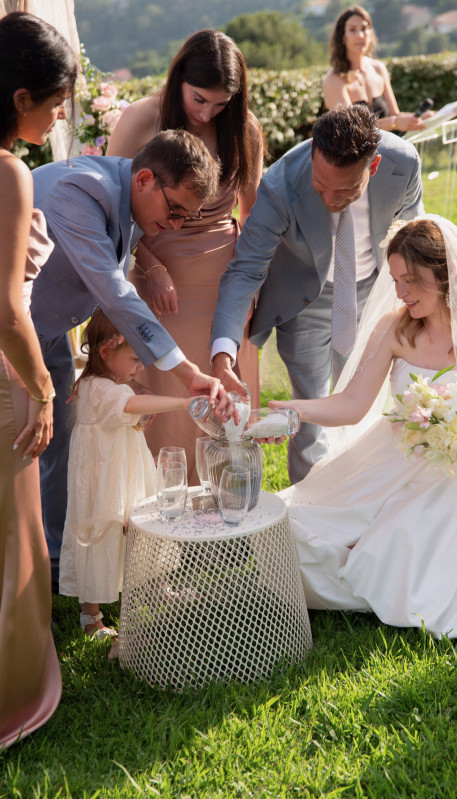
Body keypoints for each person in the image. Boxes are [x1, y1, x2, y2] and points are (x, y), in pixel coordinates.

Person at [269, 216, 457, 639]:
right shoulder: (395, 328)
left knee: (400, 538)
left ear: (444, 274)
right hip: (398, 455)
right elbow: (352, 405)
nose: (402, 292)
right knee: (299, 529)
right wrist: (294, 411)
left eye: (412, 280)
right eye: (395, 280)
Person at [30, 129, 233, 594]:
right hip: (14, 331)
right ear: (145, 179)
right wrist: (186, 372)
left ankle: (58, 566)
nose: (177, 226)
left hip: (49, 326)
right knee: (23, 446)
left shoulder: (131, 197)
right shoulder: (80, 191)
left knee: (57, 441)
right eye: (176, 211)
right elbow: (113, 289)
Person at [211, 103, 423, 483]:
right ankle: (309, 517)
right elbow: (244, 272)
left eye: (344, 192)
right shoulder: (279, 187)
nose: (329, 200)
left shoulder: (402, 164)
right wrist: (223, 355)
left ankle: (365, 496)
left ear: (371, 168)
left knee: (370, 405)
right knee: (307, 417)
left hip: (374, 295)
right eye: (320, 187)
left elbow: (413, 239)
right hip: (304, 303)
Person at [106, 29, 263, 485]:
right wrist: (149, 266)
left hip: (226, 283)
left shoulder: (243, 128)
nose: (207, 112)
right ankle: (167, 504)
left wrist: (250, 285)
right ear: (179, 81)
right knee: (171, 391)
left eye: (220, 103)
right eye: (199, 99)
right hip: (158, 275)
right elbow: (114, 209)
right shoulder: (141, 119)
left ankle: (227, 504)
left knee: (224, 389)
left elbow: (251, 214)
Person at [0, 10, 77, 749]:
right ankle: (13, 694)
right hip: (4, 378)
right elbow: (4, 308)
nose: (59, 119)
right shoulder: (8, 172)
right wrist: (47, 389)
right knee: (15, 541)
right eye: (56, 102)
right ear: (20, 98)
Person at [59, 309, 194, 638]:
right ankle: (91, 616)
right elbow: (127, 406)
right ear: (106, 352)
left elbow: (126, 413)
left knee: (144, 525)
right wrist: (183, 402)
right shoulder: (96, 387)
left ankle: (153, 584)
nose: (140, 367)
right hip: (103, 482)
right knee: (101, 535)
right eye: (135, 359)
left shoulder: (113, 383)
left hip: (127, 472)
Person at [323, 6, 433, 135]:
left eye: (364, 29)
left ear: (370, 34)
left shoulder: (379, 68)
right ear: (342, 37)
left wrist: (421, 117)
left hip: (392, 147)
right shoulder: (334, 79)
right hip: (360, 154)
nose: (360, 35)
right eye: (352, 30)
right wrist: (394, 122)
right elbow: (351, 128)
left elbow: (395, 114)